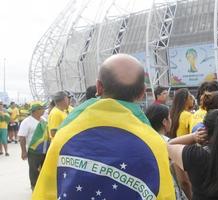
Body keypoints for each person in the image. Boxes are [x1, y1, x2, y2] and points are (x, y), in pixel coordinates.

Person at [33, 54, 175, 200]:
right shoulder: (155, 143)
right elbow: (165, 195)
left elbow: (45, 192)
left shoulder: (65, 135)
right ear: (142, 92)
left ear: (99, 87)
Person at [145, 103, 187, 200]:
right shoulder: (169, 145)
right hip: (169, 193)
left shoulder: (144, 142)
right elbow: (183, 181)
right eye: (169, 118)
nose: (171, 120)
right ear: (164, 122)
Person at [169, 88, 193, 199]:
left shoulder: (173, 114)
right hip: (186, 155)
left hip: (173, 155)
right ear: (185, 100)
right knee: (187, 185)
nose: (192, 98)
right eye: (189, 97)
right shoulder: (187, 116)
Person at [18, 101, 46, 190]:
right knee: (34, 170)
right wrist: (23, 151)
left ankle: (42, 187)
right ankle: (34, 186)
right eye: (40, 108)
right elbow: (22, 137)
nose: (43, 110)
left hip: (45, 150)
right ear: (34, 110)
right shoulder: (26, 122)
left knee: (44, 169)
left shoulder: (44, 120)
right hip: (33, 151)